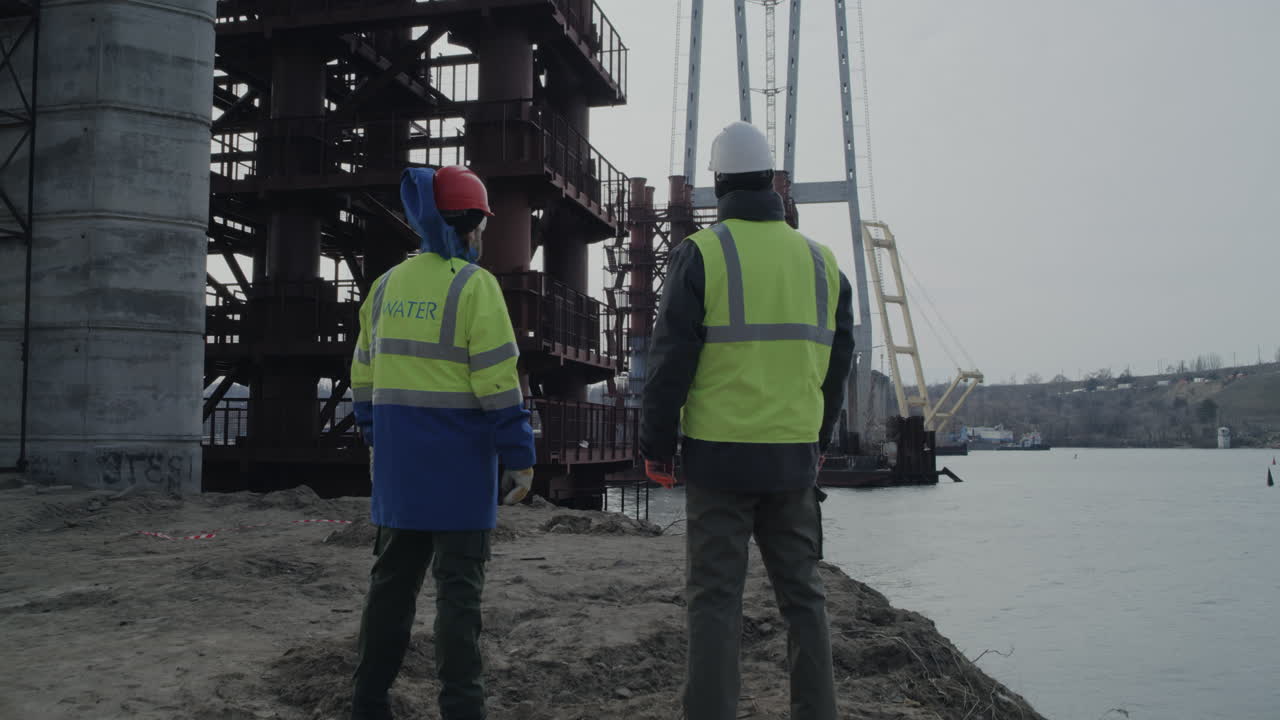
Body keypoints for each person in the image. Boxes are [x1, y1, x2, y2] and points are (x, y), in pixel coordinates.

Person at [640, 121, 856, 720]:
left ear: (718, 186)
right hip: (792, 461)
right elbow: (839, 363)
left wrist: (655, 445)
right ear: (771, 182)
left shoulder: (702, 254)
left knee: (714, 602)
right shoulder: (822, 262)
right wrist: (818, 440)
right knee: (804, 599)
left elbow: (670, 360)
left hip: (719, 459)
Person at [348, 165, 537, 720]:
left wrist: (373, 438)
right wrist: (520, 458)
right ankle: (462, 708)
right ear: (473, 225)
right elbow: (499, 383)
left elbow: (362, 374)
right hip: (459, 473)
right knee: (458, 599)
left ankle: (368, 702)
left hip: (400, 472)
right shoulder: (475, 287)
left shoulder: (385, 286)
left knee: (389, 591)